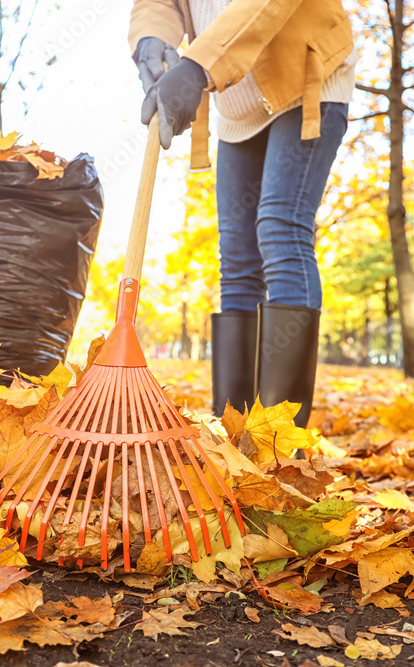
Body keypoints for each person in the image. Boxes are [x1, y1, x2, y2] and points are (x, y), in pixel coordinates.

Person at [129, 0, 356, 428]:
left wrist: (197, 68)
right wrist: (150, 41)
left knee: (280, 228)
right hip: (236, 101)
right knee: (236, 256)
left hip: (305, 78)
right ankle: (234, 432)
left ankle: (280, 439)